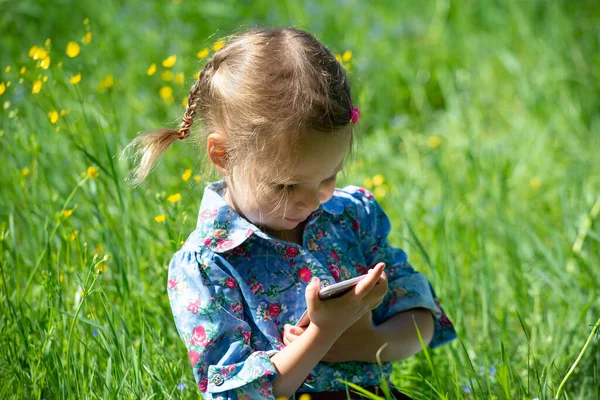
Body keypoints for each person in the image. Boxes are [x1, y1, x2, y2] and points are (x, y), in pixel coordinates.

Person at [127, 27, 457, 400]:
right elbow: (236, 393)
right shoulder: (208, 264)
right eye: (285, 186)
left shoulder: (349, 218)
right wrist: (323, 333)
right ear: (223, 156)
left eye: (328, 177)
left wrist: (368, 342)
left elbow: (422, 317)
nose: (311, 201)